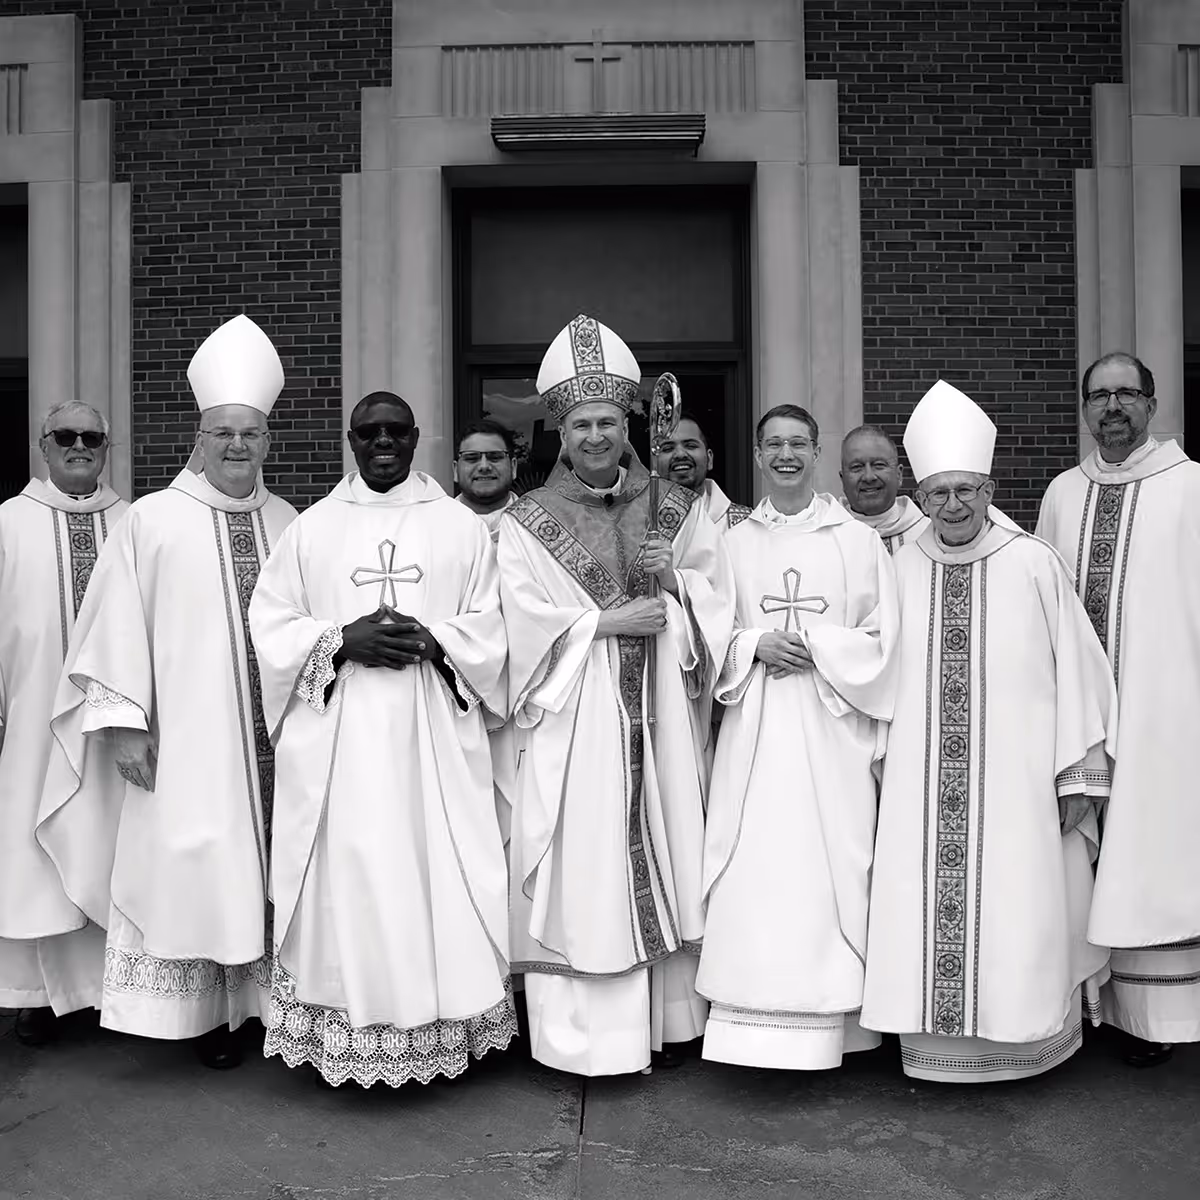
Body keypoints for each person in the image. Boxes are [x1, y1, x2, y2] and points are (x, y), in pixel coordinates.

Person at [37, 315, 297, 1069]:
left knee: (273, 867)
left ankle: (267, 1008)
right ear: (200, 436)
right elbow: (114, 627)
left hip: (278, 740)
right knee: (197, 866)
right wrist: (122, 722)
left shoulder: (288, 521)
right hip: (190, 743)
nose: (238, 446)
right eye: (223, 433)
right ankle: (208, 1015)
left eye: (250, 433)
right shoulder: (151, 519)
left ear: (267, 440)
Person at [249, 391, 515, 1089]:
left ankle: (442, 1025)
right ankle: (351, 1025)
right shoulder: (311, 529)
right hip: (344, 743)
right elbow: (272, 623)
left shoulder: (460, 528)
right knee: (356, 872)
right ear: (351, 439)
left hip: (433, 737)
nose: (384, 442)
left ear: (418, 436)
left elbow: (492, 625)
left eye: (397, 430)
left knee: (436, 866)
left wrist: (437, 640)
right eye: (370, 432)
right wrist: (340, 641)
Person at [497, 313, 735, 1076]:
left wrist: (677, 580)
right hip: (580, 722)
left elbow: (717, 602)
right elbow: (518, 623)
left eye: (606, 420)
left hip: (660, 712)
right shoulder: (526, 522)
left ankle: (662, 1028)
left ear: (629, 423)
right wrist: (603, 622)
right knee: (586, 864)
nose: (596, 435)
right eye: (580, 424)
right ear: (559, 434)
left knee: (666, 843)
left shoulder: (676, 506)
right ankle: (577, 1041)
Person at [861, 379, 1117, 1083]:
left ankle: (1024, 1044)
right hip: (920, 788)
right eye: (938, 492)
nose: (952, 506)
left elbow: (1081, 674)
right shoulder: (900, 567)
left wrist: (1079, 773)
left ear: (990, 487)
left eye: (965, 491)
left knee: (1021, 908)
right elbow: (873, 666)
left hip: (1020, 786)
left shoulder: (1033, 563)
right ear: (921, 494)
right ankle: (935, 1052)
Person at [696, 404, 898, 1069]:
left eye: (798, 444)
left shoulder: (856, 540)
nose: (786, 455)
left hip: (830, 728)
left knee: (832, 861)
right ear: (757, 456)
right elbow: (709, 631)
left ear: (816, 453)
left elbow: (882, 637)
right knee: (755, 861)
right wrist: (754, 643)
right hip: (756, 727)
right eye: (773, 444)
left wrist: (819, 645)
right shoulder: (735, 540)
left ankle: (843, 1023)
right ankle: (746, 1023)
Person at [1036, 351, 1200, 1068]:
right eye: (1099, 396)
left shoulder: (1191, 488)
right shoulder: (1064, 492)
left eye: (1126, 394)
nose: (1112, 408)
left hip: (1165, 711)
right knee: (1079, 845)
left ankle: (1151, 1017)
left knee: (1151, 853)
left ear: (1152, 403)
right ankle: (1081, 1004)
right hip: (1078, 714)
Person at [0, 403, 128, 1046]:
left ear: (107, 447)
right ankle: (36, 995)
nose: (80, 447)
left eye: (93, 438)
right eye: (66, 437)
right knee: (32, 850)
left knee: (116, 845)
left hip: (118, 727)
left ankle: (122, 993)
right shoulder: (8, 523)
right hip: (30, 723)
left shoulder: (134, 523)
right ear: (42, 446)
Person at [839, 425, 929, 553]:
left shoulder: (927, 534)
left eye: (879, 465)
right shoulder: (826, 537)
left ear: (899, 475)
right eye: (857, 467)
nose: (868, 477)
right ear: (842, 479)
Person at [657, 415, 750, 532]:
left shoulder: (746, 525)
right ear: (654, 464)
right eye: (668, 448)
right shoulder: (639, 523)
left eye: (690, 446)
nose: (680, 454)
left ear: (709, 459)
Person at [454, 418, 518, 535]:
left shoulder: (542, 524)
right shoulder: (432, 527)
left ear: (513, 467)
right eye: (472, 458)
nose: (484, 466)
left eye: (495, 457)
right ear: (455, 470)